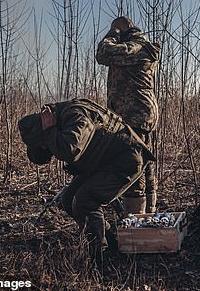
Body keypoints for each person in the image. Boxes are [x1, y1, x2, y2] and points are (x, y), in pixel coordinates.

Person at [18, 98, 155, 261]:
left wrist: (50, 131)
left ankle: (98, 255)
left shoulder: (75, 114)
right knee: (69, 199)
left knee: (85, 200)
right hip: (106, 162)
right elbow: (48, 154)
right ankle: (112, 240)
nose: (44, 147)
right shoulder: (60, 119)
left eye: (42, 143)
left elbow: (70, 151)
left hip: (126, 160)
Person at [96, 16, 161, 214]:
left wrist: (113, 32)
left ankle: (136, 223)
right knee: (146, 166)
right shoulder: (140, 48)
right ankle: (149, 220)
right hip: (140, 114)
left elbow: (103, 54)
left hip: (134, 115)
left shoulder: (135, 48)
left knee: (133, 168)